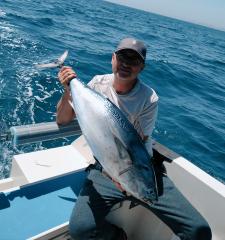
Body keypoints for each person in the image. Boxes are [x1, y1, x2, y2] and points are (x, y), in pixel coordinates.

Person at [56, 38, 212, 240]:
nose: (126, 65)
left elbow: (135, 144)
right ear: (112, 59)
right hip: (106, 168)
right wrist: (69, 87)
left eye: (134, 61)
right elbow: (62, 120)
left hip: (142, 170)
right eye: (122, 57)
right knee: (80, 230)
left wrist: (133, 182)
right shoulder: (96, 84)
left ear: (142, 67)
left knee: (199, 230)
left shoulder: (149, 98)